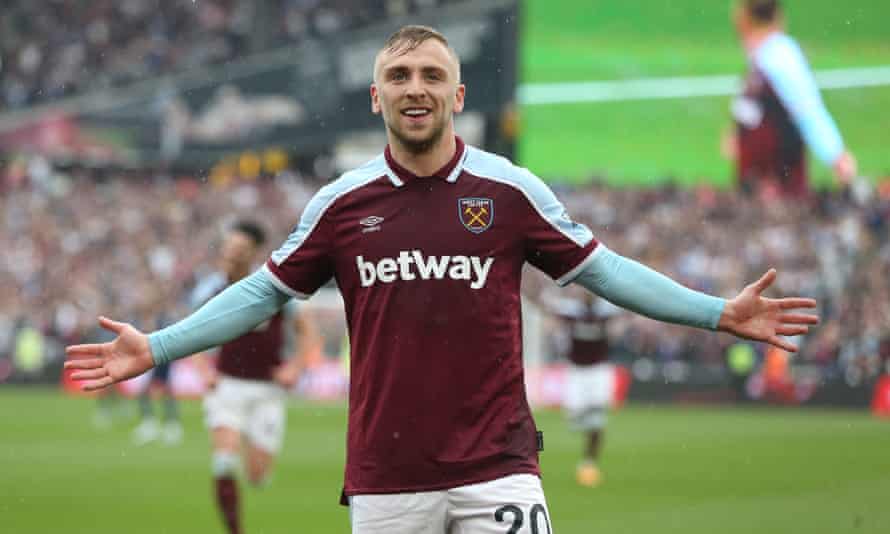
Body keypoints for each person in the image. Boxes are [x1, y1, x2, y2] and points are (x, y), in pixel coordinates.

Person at [66, 25, 819, 533]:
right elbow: (262, 292)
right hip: (387, 476)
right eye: (398, 75)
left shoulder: (511, 192)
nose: (414, 86)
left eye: (432, 75)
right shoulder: (338, 205)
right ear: (376, 97)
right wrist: (157, 347)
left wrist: (718, 311)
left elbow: (607, 270)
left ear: (458, 97)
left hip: (500, 469)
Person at [191, 220, 321, 534]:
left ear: (252, 253)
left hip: (267, 390)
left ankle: (249, 437)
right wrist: (204, 371)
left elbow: (307, 334)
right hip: (227, 386)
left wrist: (295, 367)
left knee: (257, 477)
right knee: (223, 462)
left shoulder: (274, 287)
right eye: (228, 249)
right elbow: (191, 335)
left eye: (239, 250)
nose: (231, 256)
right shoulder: (211, 289)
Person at [724, 0, 856, 198]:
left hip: (777, 179)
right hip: (759, 180)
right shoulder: (763, 56)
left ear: (743, 17)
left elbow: (806, 109)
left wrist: (835, 155)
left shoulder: (781, 56)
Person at [547, 289, 621, 488]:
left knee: (597, 419)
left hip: (598, 370)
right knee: (575, 417)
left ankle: (589, 464)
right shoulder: (571, 312)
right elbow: (550, 310)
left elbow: (623, 311)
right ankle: (582, 423)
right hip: (576, 371)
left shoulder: (605, 312)